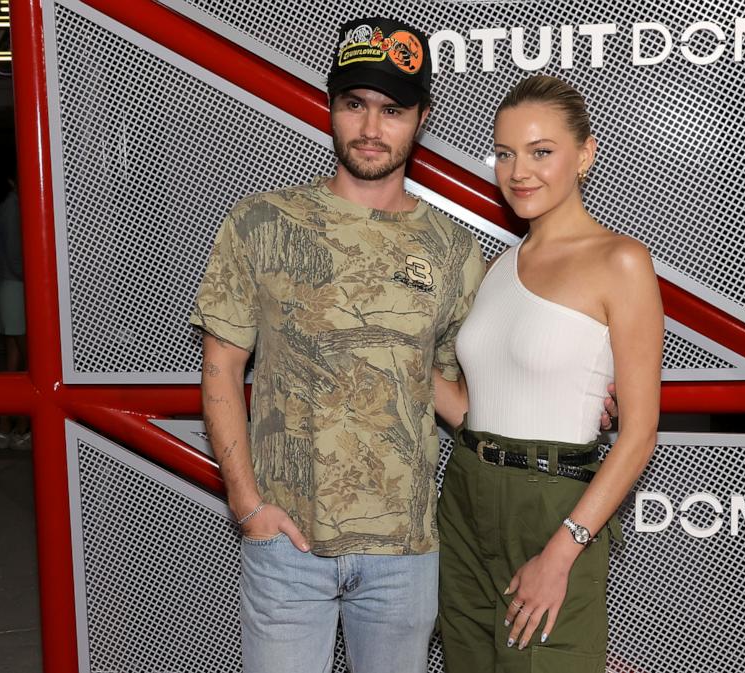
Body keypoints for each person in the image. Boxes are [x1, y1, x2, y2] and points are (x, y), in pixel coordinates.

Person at [189, 17, 487, 673]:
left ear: (422, 117)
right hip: (287, 544)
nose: (372, 128)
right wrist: (248, 505)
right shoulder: (260, 222)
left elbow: (470, 402)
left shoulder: (455, 251)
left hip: (405, 553)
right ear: (330, 107)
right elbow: (221, 365)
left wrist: (571, 400)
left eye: (393, 109)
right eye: (355, 105)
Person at [435, 75, 664, 672]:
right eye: (506, 153)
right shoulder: (494, 268)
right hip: (464, 494)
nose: (519, 171)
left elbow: (638, 434)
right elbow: (472, 407)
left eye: (541, 152)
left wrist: (562, 552)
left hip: (553, 507)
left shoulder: (622, 261)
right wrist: (384, 350)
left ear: (585, 155)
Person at [0, 174, 30, 451]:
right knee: (30, 361)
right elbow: (18, 258)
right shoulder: (14, 208)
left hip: (7, 287)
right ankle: (21, 426)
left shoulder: (7, 206)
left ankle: (6, 427)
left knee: (13, 362)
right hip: (16, 288)